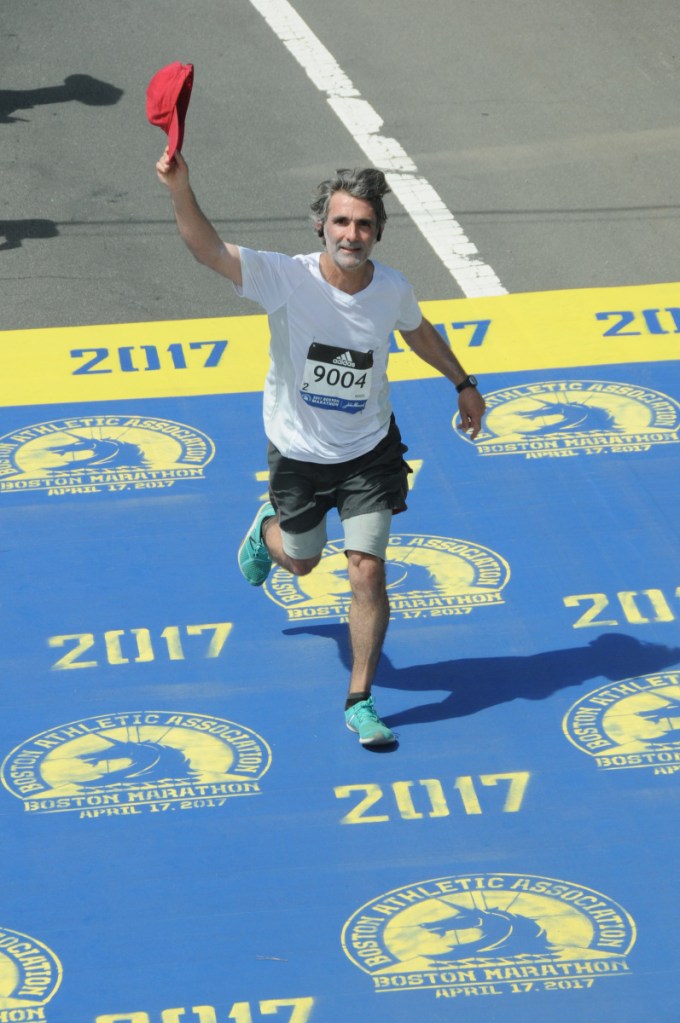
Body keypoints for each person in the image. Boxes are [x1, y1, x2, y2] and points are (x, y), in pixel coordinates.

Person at [156, 150, 486, 747]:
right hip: (299, 457)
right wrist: (181, 187)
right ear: (321, 226)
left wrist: (462, 383)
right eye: (340, 222)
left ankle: (360, 700)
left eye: (363, 224)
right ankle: (266, 533)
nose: (351, 234)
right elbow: (208, 250)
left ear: (377, 231)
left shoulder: (391, 288)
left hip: (370, 454)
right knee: (304, 560)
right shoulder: (287, 278)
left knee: (367, 571)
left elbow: (415, 329)